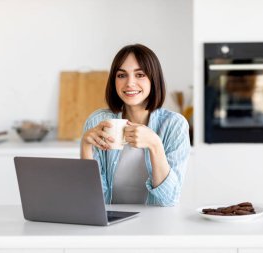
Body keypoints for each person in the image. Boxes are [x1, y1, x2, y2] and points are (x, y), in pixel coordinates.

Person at [80, 44, 190, 206]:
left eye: (140, 74)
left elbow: (169, 200)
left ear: (154, 79)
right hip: (109, 224)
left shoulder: (175, 125)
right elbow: (92, 199)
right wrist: (85, 146)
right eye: (121, 75)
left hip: (156, 225)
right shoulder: (98, 121)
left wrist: (155, 144)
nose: (130, 83)